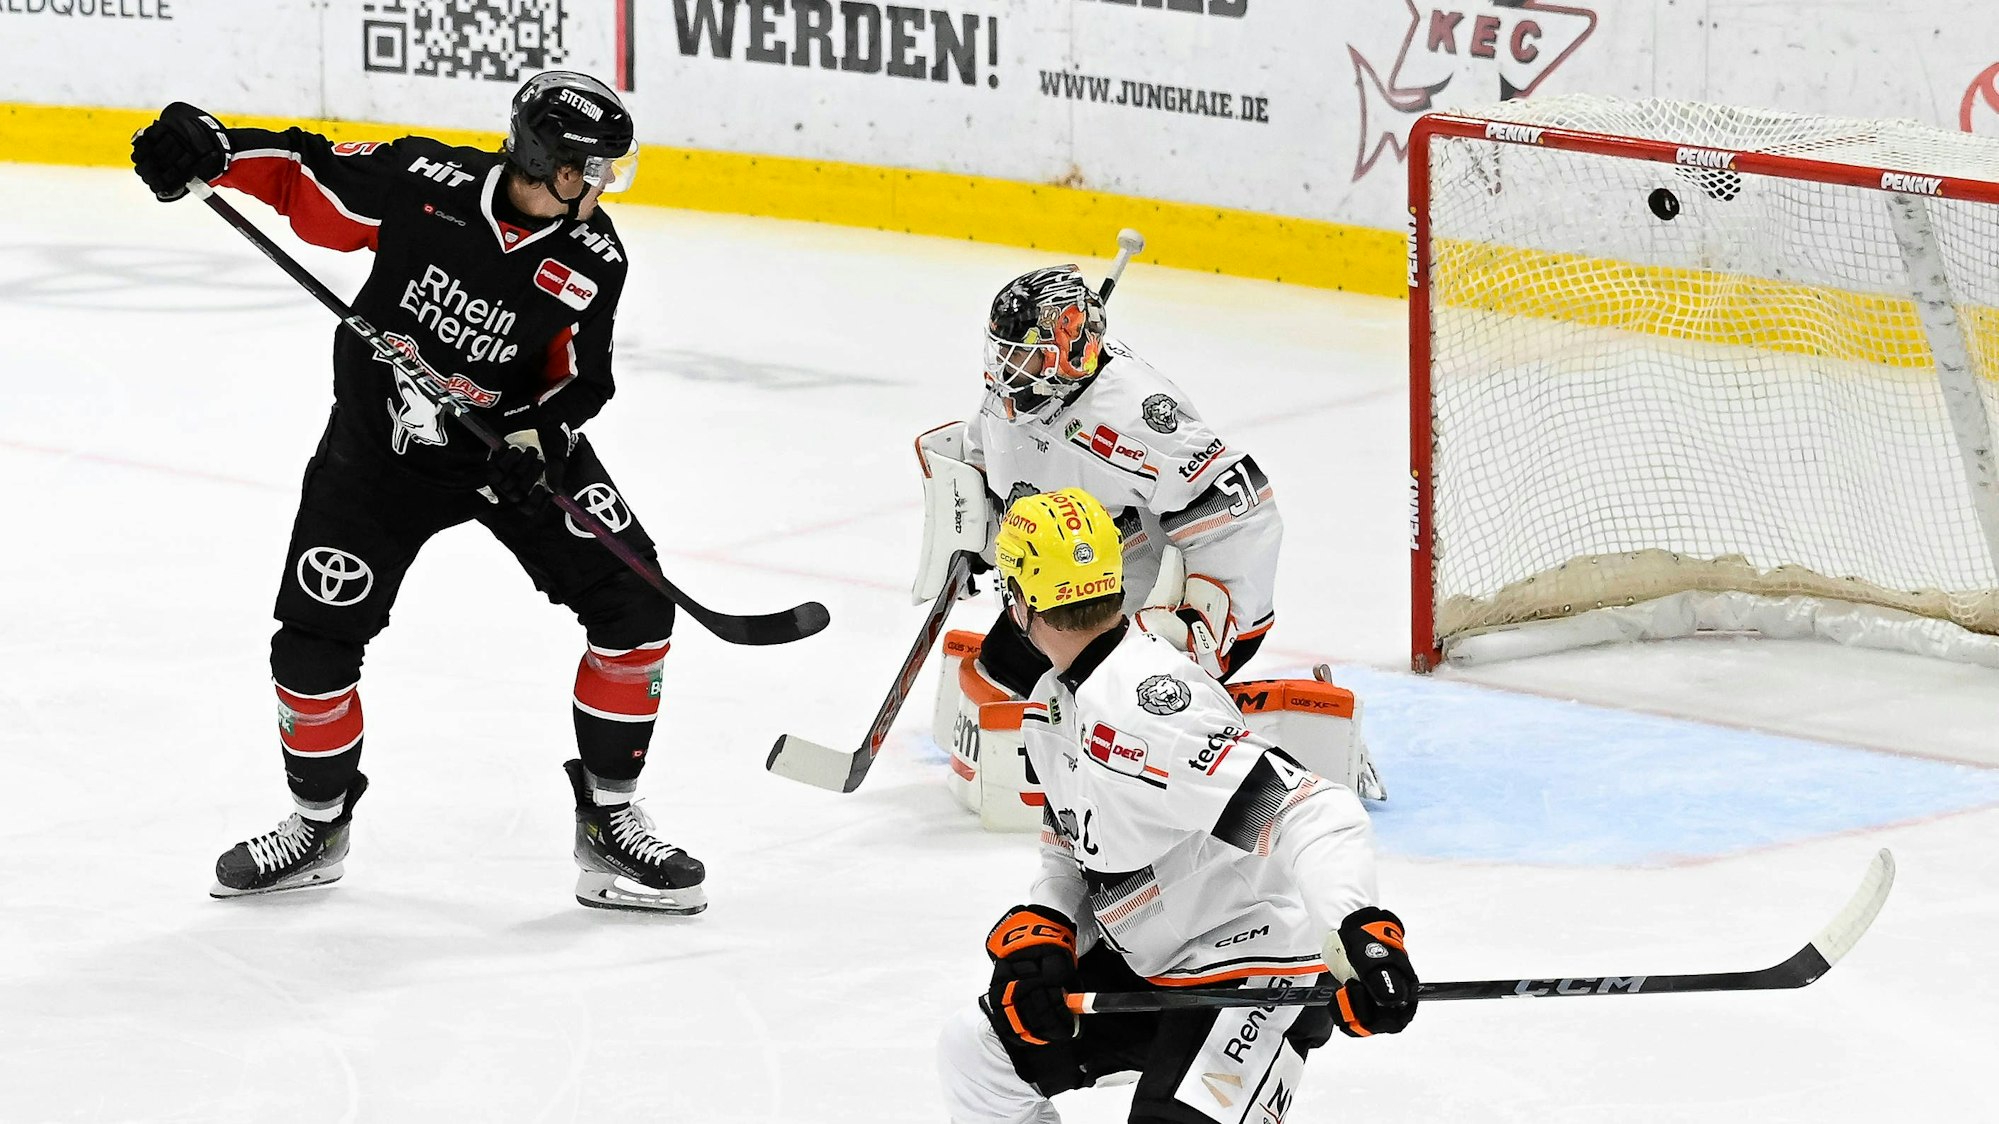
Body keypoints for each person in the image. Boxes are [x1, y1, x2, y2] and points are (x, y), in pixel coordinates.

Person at [130, 72, 705, 913]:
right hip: (377, 458)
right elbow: (303, 173)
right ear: (542, 159)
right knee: (311, 647)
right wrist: (213, 150)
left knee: (636, 606)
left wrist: (533, 438)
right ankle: (317, 825)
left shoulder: (593, 255)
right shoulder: (424, 185)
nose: (602, 188)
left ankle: (609, 822)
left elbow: (583, 380)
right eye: (589, 169)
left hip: (507, 458)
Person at [935, 488, 1417, 1124]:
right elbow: (1072, 849)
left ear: (1024, 598)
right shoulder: (1053, 704)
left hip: (1254, 970)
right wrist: (1047, 929)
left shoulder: (1146, 710)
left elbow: (1312, 811)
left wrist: (1361, 932)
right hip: (1155, 960)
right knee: (981, 1053)